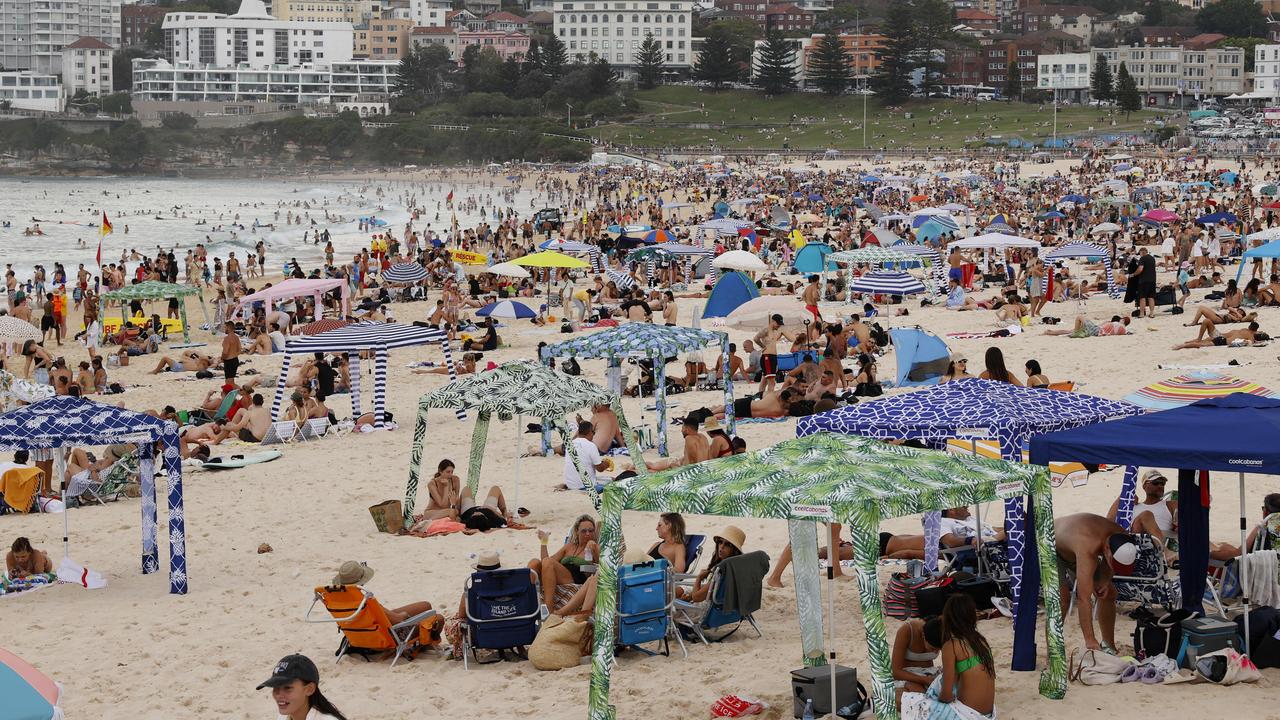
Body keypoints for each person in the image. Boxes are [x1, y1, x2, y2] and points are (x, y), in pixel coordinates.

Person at [900, 595, 996, 720]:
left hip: (966, 715)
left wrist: (937, 699)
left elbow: (946, 695)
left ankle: (872, 704)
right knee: (920, 691)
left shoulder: (952, 645)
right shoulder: (981, 641)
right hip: (988, 715)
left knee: (906, 700)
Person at [1054, 512, 1138, 652]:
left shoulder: (1123, 537)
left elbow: (1109, 563)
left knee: (1108, 593)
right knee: (1062, 601)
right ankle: (1054, 652)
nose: (1115, 568)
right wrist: (1090, 639)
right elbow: (1083, 598)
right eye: (1114, 564)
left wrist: (1105, 580)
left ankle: (1109, 646)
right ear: (1106, 550)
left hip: (1074, 545)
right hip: (1052, 546)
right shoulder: (1089, 546)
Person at [528, 514, 599, 609]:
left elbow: (600, 565)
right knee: (534, 563)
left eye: (591, 531)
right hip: (559, 575)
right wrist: (544, 543)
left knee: (549, 562)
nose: (587, 534)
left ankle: (548, 608)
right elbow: (545, 562)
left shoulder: (595, 547)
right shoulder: (569, 547)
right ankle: (529, 603)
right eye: (584, 531)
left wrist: (594, 549)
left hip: (577, 577)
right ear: (577, 531)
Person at [328, 560, 433, 624]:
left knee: (423, 606)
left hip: (359, 634)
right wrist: (404, 615)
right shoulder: (364, 600)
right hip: (384, 636)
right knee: (429, 609)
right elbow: (398, 620)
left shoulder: (336, 601)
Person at [256, 653, 349, 720]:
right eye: (275, 687)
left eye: (287, 688)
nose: (278, 694)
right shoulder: (284, 716)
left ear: (309, 689)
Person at [676, 526, 745, 602]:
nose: (721, 546)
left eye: (728, 545)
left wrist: (699, 578)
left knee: (673, 593)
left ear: (734, 550)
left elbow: (696, 598)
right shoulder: (733, 566)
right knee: (676, 591)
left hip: (706, 604)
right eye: (720, 542)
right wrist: (690, 596)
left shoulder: (722, 571)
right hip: (708, 591)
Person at [892, 616, 942, 703]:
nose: (936, 652)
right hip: (906, 675)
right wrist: (923, 680)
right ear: (923, 635)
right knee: (919, 697)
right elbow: (895, 671)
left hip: (929, 673)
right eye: (932, 648)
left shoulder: (940, 630)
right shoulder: (907, 630)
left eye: (938, 649)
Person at [644, 415, 710, 471]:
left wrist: (676, 466)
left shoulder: (689, 438)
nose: (681, 430)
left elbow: (689, 465)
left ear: (687, 429)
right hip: (703, 467)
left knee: (653, 466)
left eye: (682, 428)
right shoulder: (703, 437)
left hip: (688, 468)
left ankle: (637, 467)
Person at [561, 420, 611, 490]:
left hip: (570, 484)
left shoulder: (570, 444)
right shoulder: (591, 446)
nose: (593, 435)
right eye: (593, 432)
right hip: (585, 486)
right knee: (612, 481)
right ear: (589, 432)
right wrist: (607, 464)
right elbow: (600, 469)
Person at [752, 314, 792, 394]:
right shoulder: (766, 330)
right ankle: (769, 399)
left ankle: (760, 397)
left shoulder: (774, 332)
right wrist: (763, 346)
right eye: (778, 324)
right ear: (773, 321)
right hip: (768, 357)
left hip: (772, 357)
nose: (778, 326)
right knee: (772, 382)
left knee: (764, 381)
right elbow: (756, 338)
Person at [1172, 320, 1262, 350]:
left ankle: (1196, 339)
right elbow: (1251, 343)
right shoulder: (1250, 335)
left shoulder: (1242, 329)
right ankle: (1183, 345)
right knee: (1201, 344)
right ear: (1255, 330)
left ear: (1249, 326)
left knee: (1206, 321)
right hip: (1221, 340)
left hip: (1218, 335)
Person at [1043, 314, 1130, 338]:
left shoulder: (1119, 325)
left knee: (1079, 317)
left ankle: (1049, 332)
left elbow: (1100, 326)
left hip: (1096, 330)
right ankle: (1049, 332)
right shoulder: (1121, 329)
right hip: (1095, 330)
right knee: (1070, 331)